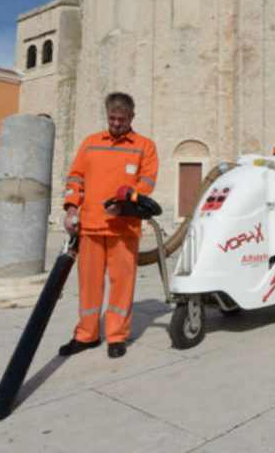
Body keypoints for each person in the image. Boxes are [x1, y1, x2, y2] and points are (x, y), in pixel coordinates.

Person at [59, 92, 158, 359]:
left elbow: (146, 183)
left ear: (132, 117)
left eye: (121, 119)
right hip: (90, 227)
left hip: (124, 229)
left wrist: (125, 205)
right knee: (89, 285)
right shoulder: (90, 144)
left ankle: (116, 336)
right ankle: (86, 335)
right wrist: (70, 210)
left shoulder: (144, 147)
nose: (115, 124)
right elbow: (76, 179)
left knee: (121, 284)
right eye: (112, 119)